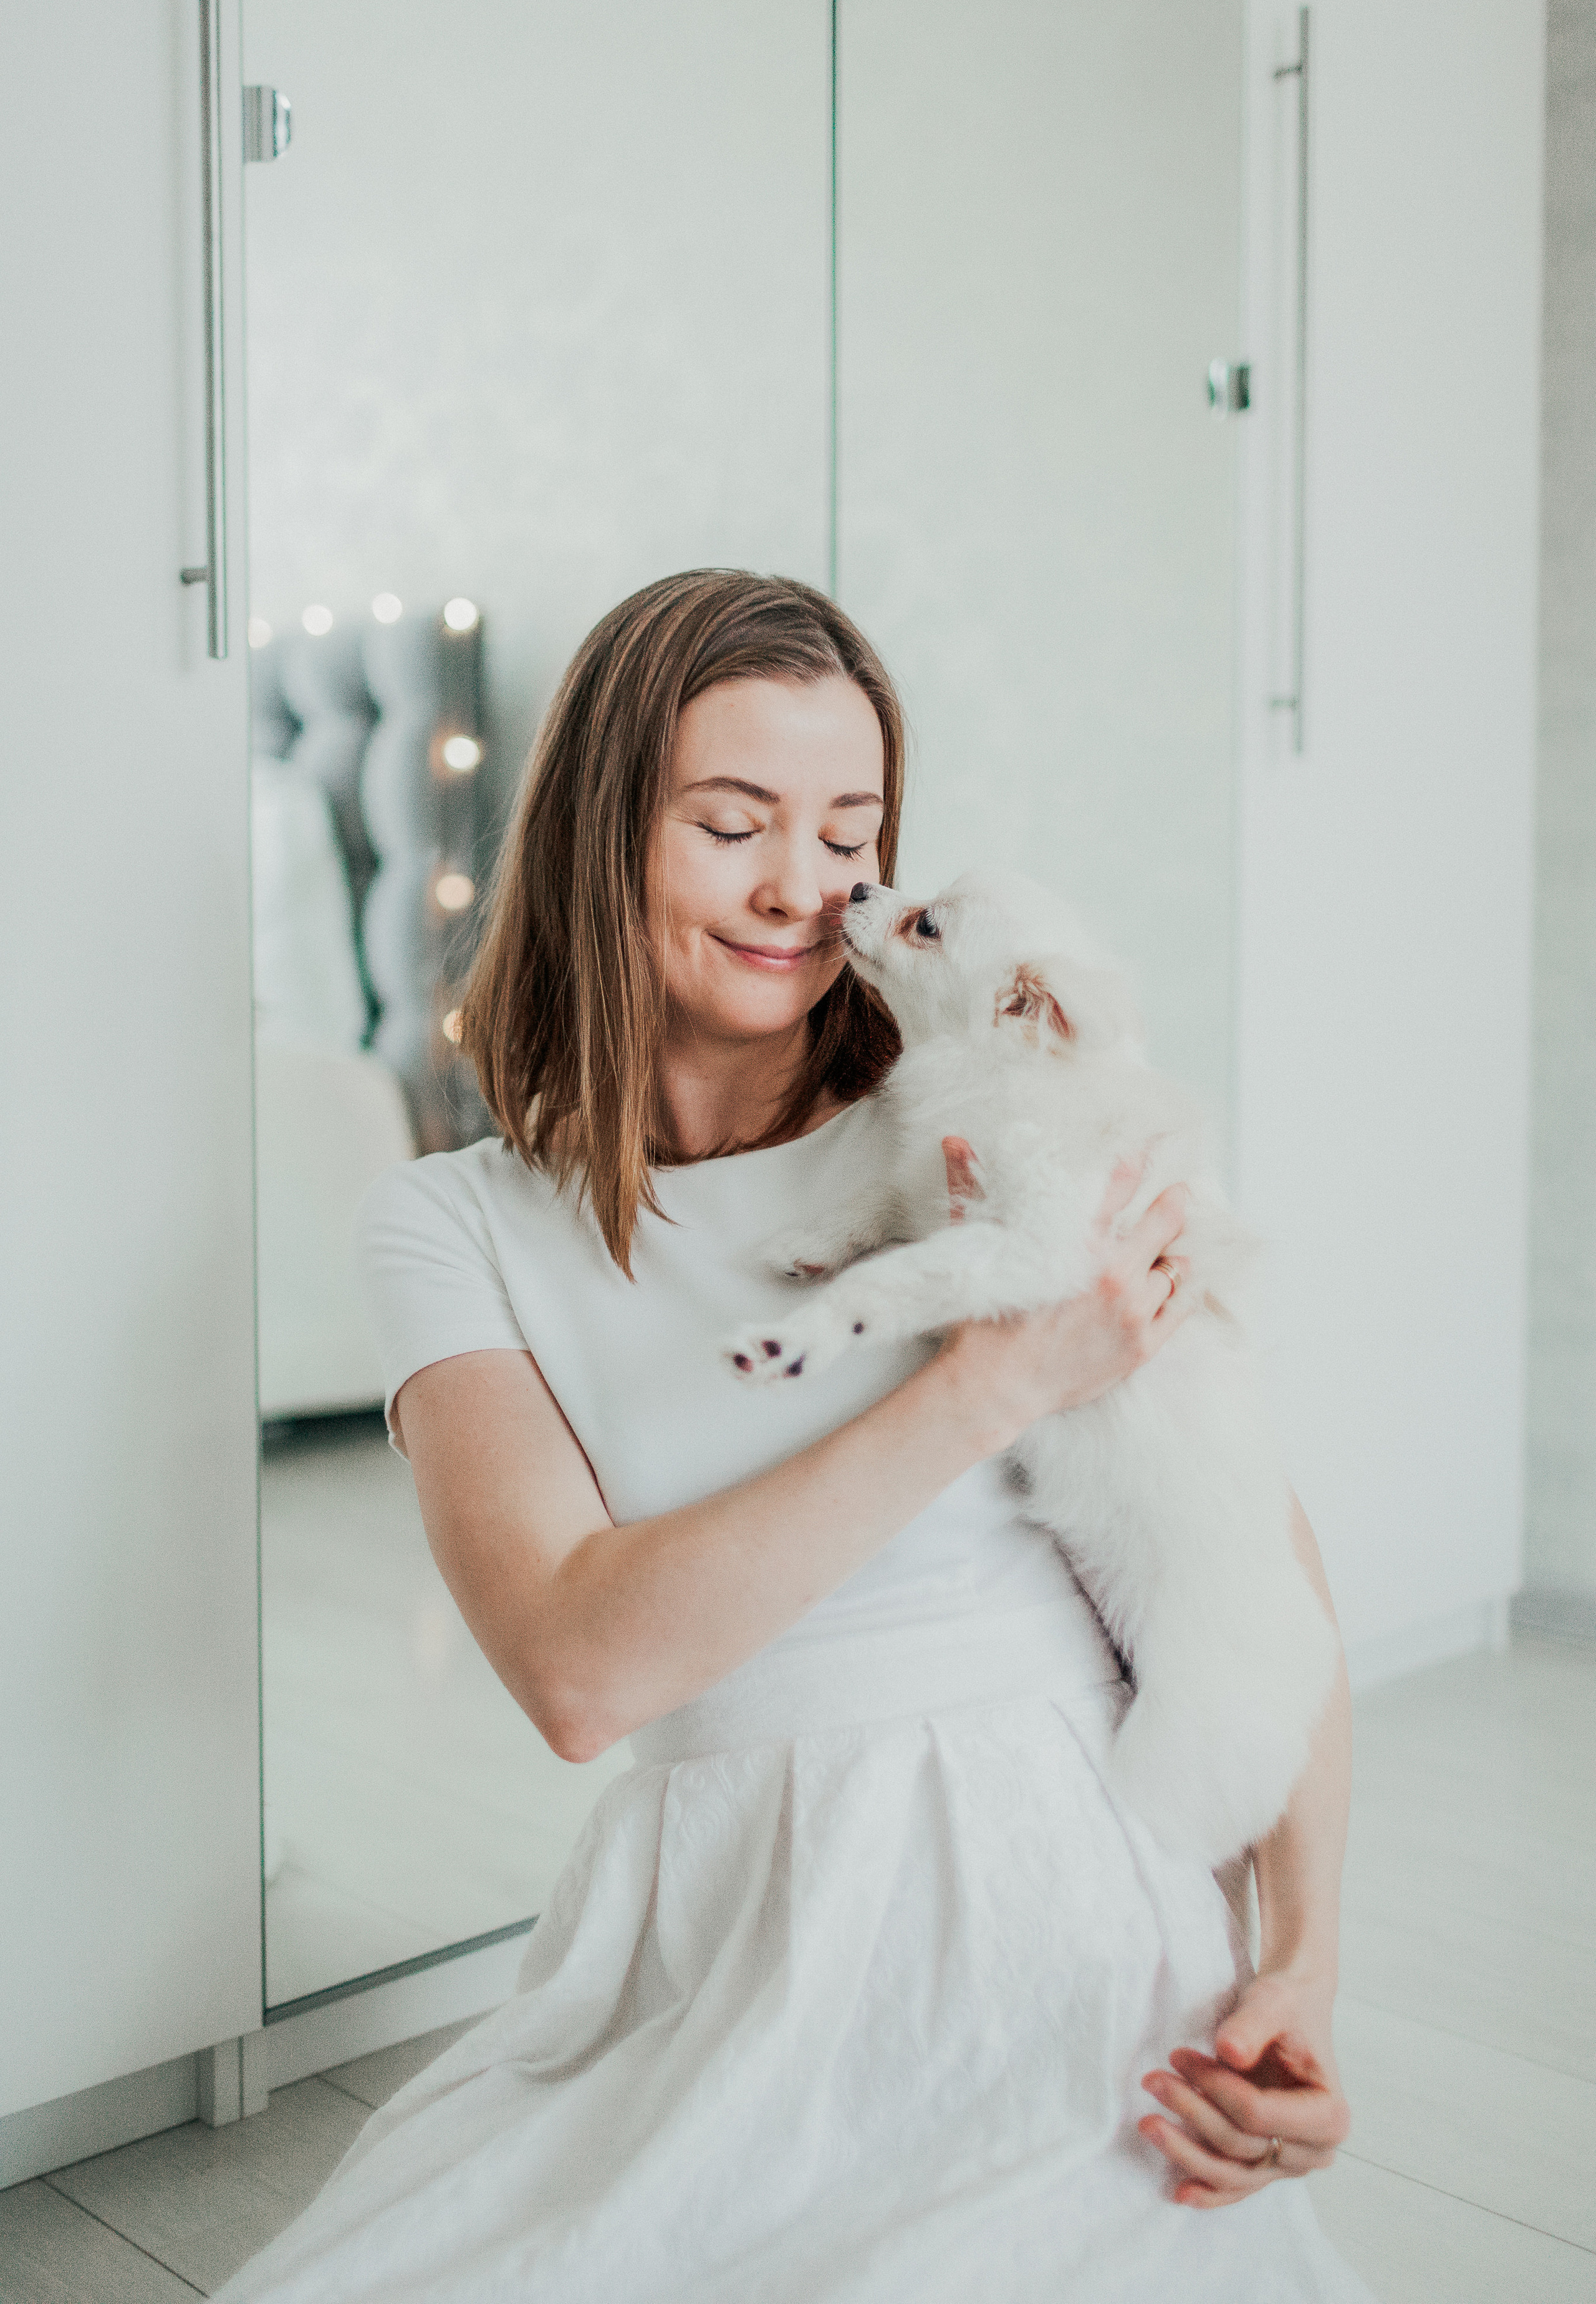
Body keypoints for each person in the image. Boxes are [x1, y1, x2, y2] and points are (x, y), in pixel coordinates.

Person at [219, 571, 1373, 2302]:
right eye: (733, 822)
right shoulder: (453, 1226)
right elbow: (577, 1670)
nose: (805, 888)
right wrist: (985, 1382)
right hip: (722, 1938)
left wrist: (1302, 1969)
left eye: (853, 828)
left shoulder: (1009, 1132)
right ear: (608, 832)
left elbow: (1258, 1578)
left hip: (1070, 1928)